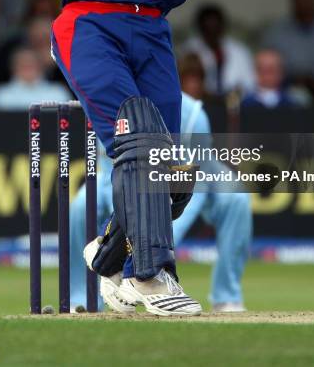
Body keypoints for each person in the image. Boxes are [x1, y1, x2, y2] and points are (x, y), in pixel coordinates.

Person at [51, 0, 225, 316]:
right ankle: (153, 276)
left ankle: (114, 265)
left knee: (171, 170)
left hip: (151, 29)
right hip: (89, 21)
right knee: (142, 145)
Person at [69, 92, 251, 313]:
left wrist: (160, 240)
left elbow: (191, 176)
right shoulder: (115, 107)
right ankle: (82, 297)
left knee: (237, 199)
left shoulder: (193, 114)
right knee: (81, 205)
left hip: (197, 176)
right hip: (122, 177)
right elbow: (111, 172)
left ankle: (226, 296)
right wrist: (129, 225)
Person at [182, 5, 255, 97]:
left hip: (235, 105)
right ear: (200, 29)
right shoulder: (189, 50)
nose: (212, 33)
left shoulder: (240, 51)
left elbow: (250, 85)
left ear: (222, 27)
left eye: (215, 28)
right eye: (207, 29)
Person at [0, 47, 71, 110]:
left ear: (41, 67)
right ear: (13, 68)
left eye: (32, 64)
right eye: (22, 64)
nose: (28, 68)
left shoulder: (58, 92)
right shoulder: (1, 93)